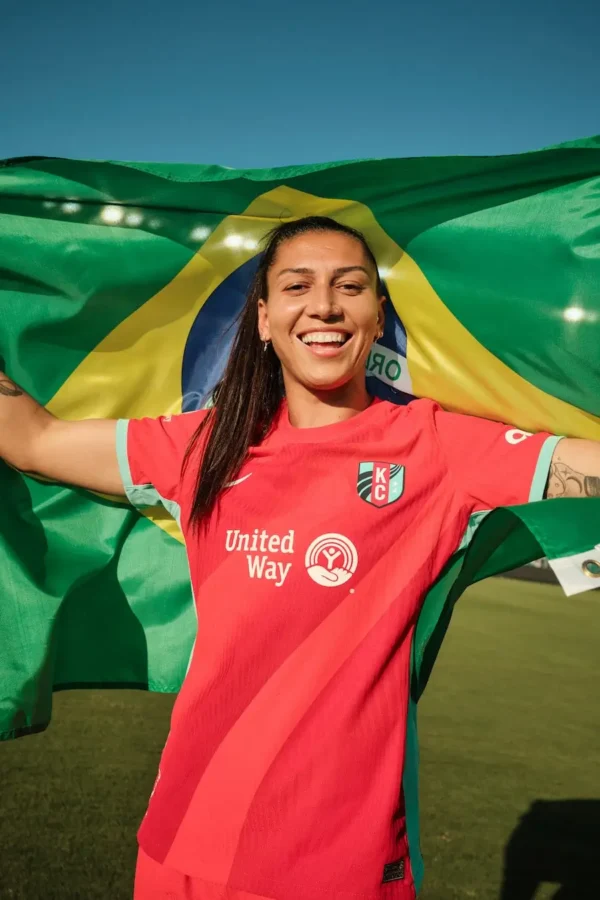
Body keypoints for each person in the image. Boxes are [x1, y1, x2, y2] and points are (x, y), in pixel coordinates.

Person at [0, 216, 598, 900]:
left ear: (378, 317)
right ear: (262, 318)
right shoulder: (204, 445)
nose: (324, 305)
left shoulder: (436, 446)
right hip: (184, 840)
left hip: (341, 861)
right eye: (297, 285)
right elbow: (33, 440)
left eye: (350, 286)